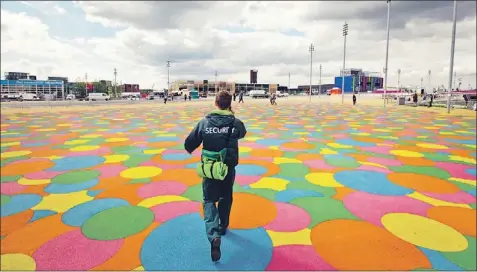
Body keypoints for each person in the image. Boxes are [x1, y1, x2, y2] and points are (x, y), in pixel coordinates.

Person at [184, 90, 247, 262]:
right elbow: (243, 133)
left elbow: (188, 144)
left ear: (216, 103)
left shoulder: (204, 122)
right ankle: (223, 225)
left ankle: (213, 235)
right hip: (228, 167)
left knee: (209, 200)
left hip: (210, 169)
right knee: (226, 197)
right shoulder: (236, 123)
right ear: (230, 103)